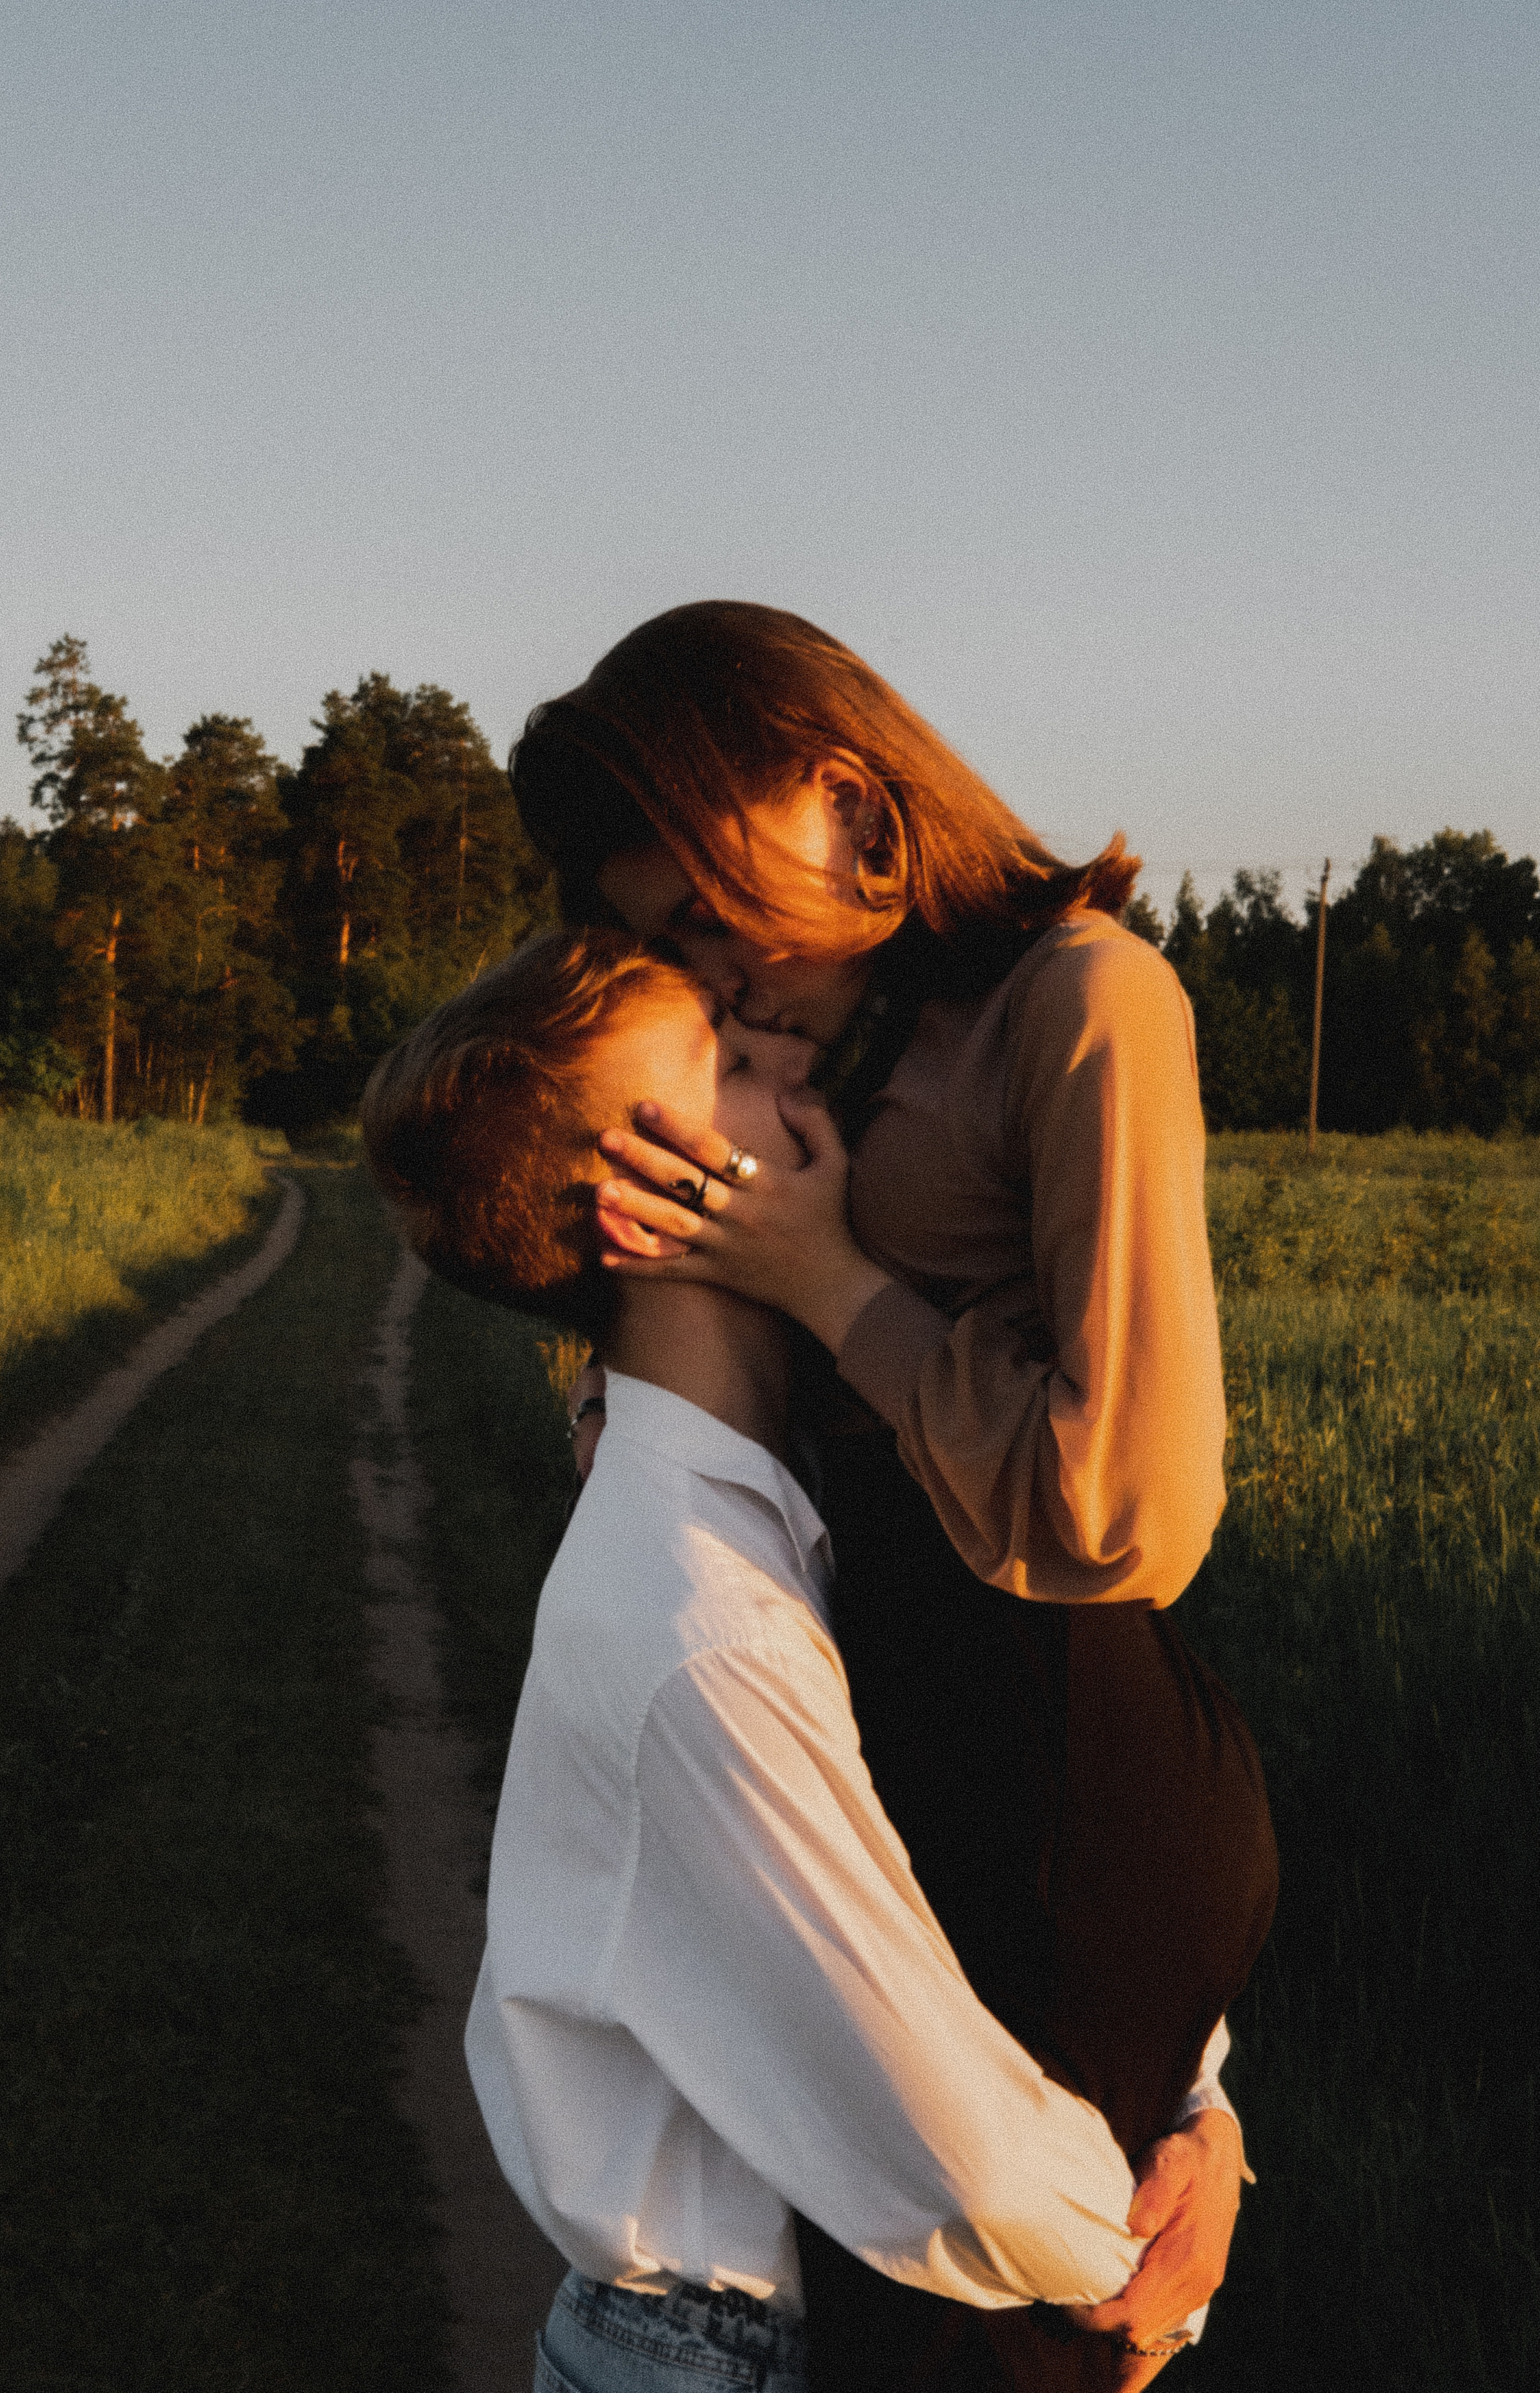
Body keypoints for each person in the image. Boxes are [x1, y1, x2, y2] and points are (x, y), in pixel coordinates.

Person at [507, 602, 1279, 2390]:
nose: (710, 973)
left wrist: (826, 1284)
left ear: (854, 800)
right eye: (655, 939)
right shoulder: (832, 1036)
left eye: (708, 909)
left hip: (1047, 1770)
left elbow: (1122, 1516)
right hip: (895, 1778)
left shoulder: (1083, 1002)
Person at [362, 930, 1246, 2393]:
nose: (801, 1062)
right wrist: (1150, 2267)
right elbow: (948, 2148)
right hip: (725, 2358)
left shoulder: (812, 1510)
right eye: (729, 1061)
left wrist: (1197, 2117)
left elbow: (1019, 1875)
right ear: (648, 1207)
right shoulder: (697, 1624)